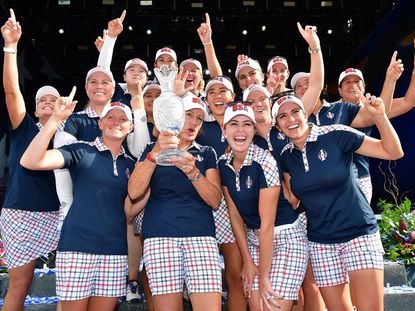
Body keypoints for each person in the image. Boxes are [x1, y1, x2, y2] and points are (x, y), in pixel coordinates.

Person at [273, 90, 403, 310]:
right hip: (321, 242)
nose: (291, 119)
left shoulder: (336, 134)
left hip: (358, 234)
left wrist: (380, 117)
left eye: (295, 111)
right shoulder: (286, 156)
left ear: (305, 114)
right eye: (283, 116)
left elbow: (392, 151)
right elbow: (293, 200)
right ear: (277, 126)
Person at [21, 99, 136, 311]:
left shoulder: (131, 164)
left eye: (123, 119)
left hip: (115, 253)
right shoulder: (80, 150)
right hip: (77, 250)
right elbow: (31, 161)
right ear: (100, 123)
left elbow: (132, 211)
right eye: (110, 117)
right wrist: (55, 120)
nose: (116, 122)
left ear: (131, 127)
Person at [127, 94, 223, 311]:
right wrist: (156, 152)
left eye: (200, 119)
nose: (194, 122)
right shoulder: (151, 149)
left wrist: (193, 172)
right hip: (160, 239)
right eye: (190, 115)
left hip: (201, 238)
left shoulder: (206, 153)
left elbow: (215, 200)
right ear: (176, 116)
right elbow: (134, 191)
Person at [218, 102, 308, 311]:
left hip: (287, 241)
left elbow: (267, 224)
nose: (241, 131)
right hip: (254, 242)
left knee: (271, 308)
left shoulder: (265, 162)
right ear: (224, 129)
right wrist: (248, 262)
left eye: (247, 124)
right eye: (234, 124)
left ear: (254, 130)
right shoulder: (223, 163)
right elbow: (234, 215)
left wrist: (264, 276)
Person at [0, 10, 60, 310]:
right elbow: (12, 91)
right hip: (22, 214)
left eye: (53, 99)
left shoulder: (72, 133)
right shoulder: (24, 127)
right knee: (19, 286)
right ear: (35, 110)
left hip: (63, 216)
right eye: (41, 101)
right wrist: (11, 46)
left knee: (75, 287)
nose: (47, 102)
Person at [197, 75, 248, 310]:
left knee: (235, 276)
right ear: (205, 99)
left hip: (231, 208)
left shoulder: (244, 125)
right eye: (211, 92)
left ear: (233, 96)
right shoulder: (197, 124)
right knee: (202, 282)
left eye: (223, 90)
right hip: (200, 205)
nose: (217, 96)